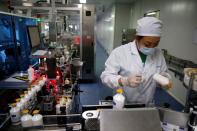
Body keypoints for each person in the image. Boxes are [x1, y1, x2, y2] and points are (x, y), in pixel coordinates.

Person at [100, 17, 172, 105]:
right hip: (123, 104)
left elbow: (163, 73)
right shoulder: (120, 52)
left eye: (156, 43)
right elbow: (105, 77)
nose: (152, 47)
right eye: (147, 44)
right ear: (137, 38)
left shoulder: (158, 54)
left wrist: (165, 80)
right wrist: (124, 80)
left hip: (147, 105)